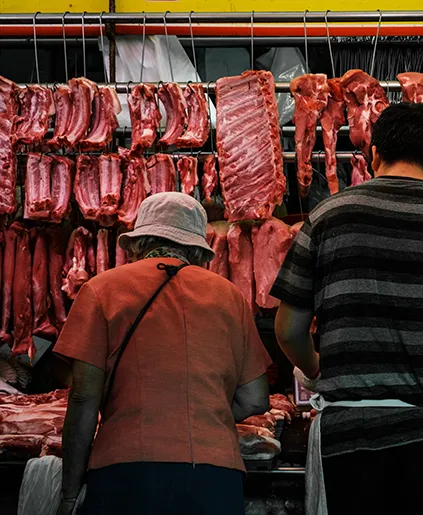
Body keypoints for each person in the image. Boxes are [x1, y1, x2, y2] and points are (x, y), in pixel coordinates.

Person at [271, 102, 423, 515]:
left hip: (345, 439)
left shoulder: (327, 217)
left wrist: (319, 369)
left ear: (373, 157)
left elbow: (288, 330)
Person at [55, 192, 272, 515]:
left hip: (126, 472)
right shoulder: (230, 297)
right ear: (199, 251)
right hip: (214, 476)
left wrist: (70, 493)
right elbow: (255, 400)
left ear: (136, 244)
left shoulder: (102, 290)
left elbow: (84, 399)